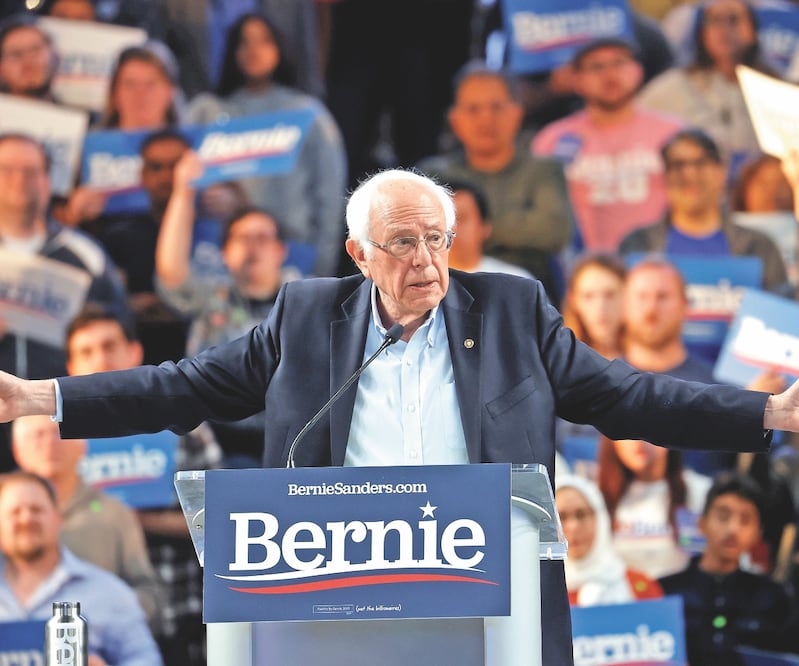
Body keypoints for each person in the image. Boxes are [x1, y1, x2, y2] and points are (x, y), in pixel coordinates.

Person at [4, 168, 799, 665]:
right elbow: (185, 385)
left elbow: (629, 395)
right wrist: (43, 397)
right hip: (331, 598)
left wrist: (765, 409)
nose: (425, 260)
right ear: (358, 254)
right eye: (402, 242)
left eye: (437, 240)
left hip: (494, 597)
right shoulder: (306, 318)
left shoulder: (513, 310)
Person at [63, 304, 221, 666]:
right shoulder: (54, 440)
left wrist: (136, 519)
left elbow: (221, 523)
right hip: (81, 620)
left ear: (134, 352)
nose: (99, 359)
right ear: (71, 367)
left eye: (109, 346)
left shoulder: (184, 427)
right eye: (85, 352)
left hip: (178, 607)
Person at [155, 150, 299, 467]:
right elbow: (172, 271)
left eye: (262, 238)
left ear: (281, 250)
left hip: (292, 438)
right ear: (224, 252)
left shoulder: (308, 299)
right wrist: (184, 191)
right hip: (218, 440)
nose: (252, 246)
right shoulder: (212, 297)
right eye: (241, 238)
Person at [188, 12, 347, 278]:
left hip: (295, 257)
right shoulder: (204, 112)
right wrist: (203, 201)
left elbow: (330, 197)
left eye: (264, 41)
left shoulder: (309, 114)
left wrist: (322, 267)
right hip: (215, 259)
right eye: (245, 42)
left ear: (280, 48)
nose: (254, 50)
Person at [417, 60, 576, 305]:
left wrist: (469, 227)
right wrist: (517, 224)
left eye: (496, 107)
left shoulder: (543, 169)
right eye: (473, 109)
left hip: (527, 295)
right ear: (455, 119)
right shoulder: (433, 174)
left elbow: (553, 230)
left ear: (517, 113)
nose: (485, 119)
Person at [10, 414, 163, 630]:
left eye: (59, 434)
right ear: (17, 450)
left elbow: (149, 592)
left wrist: (111, 616)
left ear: (83, 446)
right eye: (38, 435)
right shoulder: (4, 514)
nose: (50, 444)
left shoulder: (114, 513)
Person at [532, 37, 683, 253]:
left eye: (619, 63)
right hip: (582, 267)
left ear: (639, 71)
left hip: (659, 261)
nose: (610, 75)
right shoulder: (551, 139)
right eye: (597, 66)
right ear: (577, 80)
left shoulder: (673, 132)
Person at [0, 470, 163, 666]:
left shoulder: (108, 592)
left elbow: (146, 659)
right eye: (14, 512)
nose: (26, 519)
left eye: (36, 510)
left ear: (58, 519)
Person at [619, 128, 790, 295]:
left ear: (721, 173)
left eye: (700, 163)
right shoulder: (638, 245)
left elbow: (779, 311)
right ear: (664, 175)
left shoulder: (758, 247)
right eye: (678, 165)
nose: (689, 174)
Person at [659, 472, 799, 664]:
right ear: (702, 523)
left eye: (745, 520)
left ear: (758, 533)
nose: (733, 529)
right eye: (723, 517)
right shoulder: (666, 592)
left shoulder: (774, 597)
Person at [636, 0, 775, 167]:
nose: (724, 29)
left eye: (733, 19)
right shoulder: (672, 87)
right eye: (714, 20)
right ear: (701, 33)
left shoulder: (774, 88)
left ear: (753, 30)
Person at [598, 435, 712, 579]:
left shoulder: (701, 492)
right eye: (626, 431)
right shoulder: (597, 497)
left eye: (644, 428)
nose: (636, 441)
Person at [556, 474, 663, 606]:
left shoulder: (640, 586)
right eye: (561, 517)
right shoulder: (538, 595)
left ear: (600, 518)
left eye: (581, 514)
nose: (573, 527)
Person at [446, 178, 534, 278]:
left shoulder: (515, 280)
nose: (453, 229)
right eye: (446, 220)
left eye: (462, 219)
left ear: (485, 227)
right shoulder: (426, 281)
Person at [561, 253, 626, 361]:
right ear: (573, 300)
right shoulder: (560, 362)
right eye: (588, 296)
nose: (600, 307)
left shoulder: (652, 361)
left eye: (610, 294)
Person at [0, 15, 59, 102]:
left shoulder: (75, 112)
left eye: (36, 50)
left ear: (54, 56)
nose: (28, 61)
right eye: (16, 54)